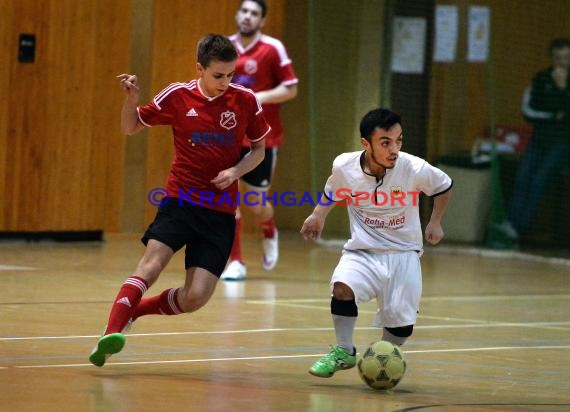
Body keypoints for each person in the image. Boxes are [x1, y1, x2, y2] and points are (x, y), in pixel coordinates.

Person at [89, 34, 270, 367]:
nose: (225, 82)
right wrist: (131, 98)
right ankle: (110, 333)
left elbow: (259, 149)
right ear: (199, 68)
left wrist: (235, 171)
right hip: (180, 200)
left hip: (219, 213)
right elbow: (130, 127)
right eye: (218, 75)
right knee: (151, 265)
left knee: (195, 297)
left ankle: (135, 311)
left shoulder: (245, 100)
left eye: (231, 74)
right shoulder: (177, 95)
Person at [300, 108, 452, 378]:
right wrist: (318, 214)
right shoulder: (344, 166)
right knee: (342, 287)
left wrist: (435, 221)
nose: (394, 149)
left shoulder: (413, 168)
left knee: (401, 328)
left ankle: (383, 358)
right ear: (365, 144)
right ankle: (344, 351)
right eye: (386, 142)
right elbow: (333, 188)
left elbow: (443, 185)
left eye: (399, 140)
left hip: (403, 253)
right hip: (362, 250)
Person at [220, 0, 299, 281]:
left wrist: (259, 98)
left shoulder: (272, 48)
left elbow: (290, 88)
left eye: (254, 13)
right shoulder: (224, 49)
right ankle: (236, 261)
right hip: (226, 137)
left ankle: (268, 226)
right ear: (236, 14)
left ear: (262, 20)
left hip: (262, 139)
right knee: (227, 199)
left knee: (255, 202)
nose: (247, 17)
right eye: (244, 11)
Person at [500, 38, 570, 241]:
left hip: (563, 142)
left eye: (566, 58)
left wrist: (562, 88)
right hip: (540, 138)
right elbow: (530, 111)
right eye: (558, 58)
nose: (562, 62)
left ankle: (519, 228)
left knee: (539, 180)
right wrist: (553, 114)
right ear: (552, 59)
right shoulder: (541, 78)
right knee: (523, 178)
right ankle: (510, 223)